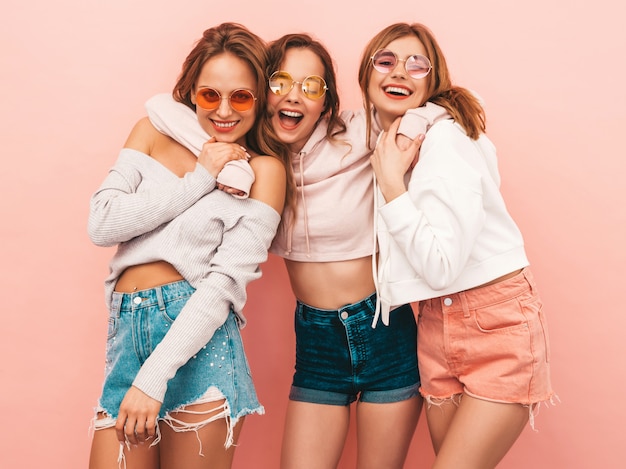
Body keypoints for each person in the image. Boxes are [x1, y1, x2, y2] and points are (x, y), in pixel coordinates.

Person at [145, 33, 447, 469]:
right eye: (281, 81)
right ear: (264, 91)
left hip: (384, 328)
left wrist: (414, 130)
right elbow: (159, 107)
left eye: (311, 87)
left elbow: (433, 105)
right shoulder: (253, 158)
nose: (294, 96)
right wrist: (229, 163)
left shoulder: (358, 133)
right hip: (317, 342)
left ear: (326, 104)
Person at [87, 22, 293, 469]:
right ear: (191, 92)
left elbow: (224, 285)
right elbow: (102, 223)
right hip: (128, 333)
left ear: (259, 100)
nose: (223, 111)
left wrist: (153, 379)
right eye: (209, 95)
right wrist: (200, 178)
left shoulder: (263, 172)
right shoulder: (150, 131)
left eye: (240, 96)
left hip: (200, 339)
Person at [362, 22, 556, 468]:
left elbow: (442, 266)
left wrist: (392, 183)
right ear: (367, 74)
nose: (400, 73)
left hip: (495, 323)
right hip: (435, 323)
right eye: (386, 61)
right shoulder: (395, 141)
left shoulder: (446, 140)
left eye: (417, 65)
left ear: (433, 81)